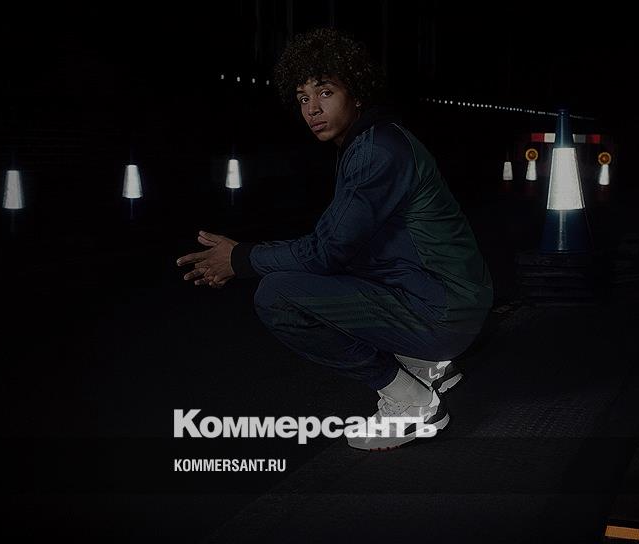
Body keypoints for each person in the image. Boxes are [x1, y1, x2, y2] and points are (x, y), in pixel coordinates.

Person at [176, 28, 492, 450]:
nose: (312, 109)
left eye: (325, 92)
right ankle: (426, 364)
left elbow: (325, 251)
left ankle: (412, 401)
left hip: (444, 313)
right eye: (303, 98)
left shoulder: (377, 150)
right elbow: (337, 244)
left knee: (278, 296)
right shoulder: (372, 141)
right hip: (448, 298)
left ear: (356, 93)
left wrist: (240, 259)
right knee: (331, 265)